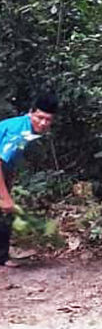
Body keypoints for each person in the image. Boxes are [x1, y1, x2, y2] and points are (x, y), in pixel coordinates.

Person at [0, 93, 58, 268]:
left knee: (4, 214)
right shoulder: (20, 131)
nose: (43, 123)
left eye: (48, 120)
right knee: (5, 208)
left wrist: (8, 183)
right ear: (30, 113)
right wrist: (5, 197)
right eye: (39, 117)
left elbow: (8, 160)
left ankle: (2, 257)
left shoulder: (28, 130)